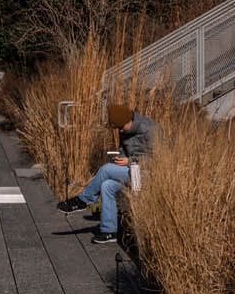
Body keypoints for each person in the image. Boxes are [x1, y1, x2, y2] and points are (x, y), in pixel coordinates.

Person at [57, 103, 160, 244]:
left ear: (129, 120)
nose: (120, 131)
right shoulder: (124, 130)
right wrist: (119, 159)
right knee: (107, 185)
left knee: (105, 169)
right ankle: (109, 231)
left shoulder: (150, 128)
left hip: (149, 175)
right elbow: (124, 151)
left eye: (121, 127)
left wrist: (130, 161)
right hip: (132, 173)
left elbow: (160, 160)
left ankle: (83, 200)